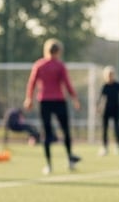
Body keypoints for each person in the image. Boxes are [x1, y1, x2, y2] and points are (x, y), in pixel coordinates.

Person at [23, 38, 82, 175]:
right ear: (59, 51)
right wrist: (75, 98)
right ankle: (69, 159)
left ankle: (49, 165)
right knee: (65, 130)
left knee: (47, 133)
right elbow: (67, 84)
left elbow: (31, 83)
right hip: (58, 101)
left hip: (44, 102)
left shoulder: (39, 65)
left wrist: (29, 98)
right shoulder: (59, 65)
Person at [97, 66, 119, 156]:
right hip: (106, 110)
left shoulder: (118, 85)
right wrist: (98, 107)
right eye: (108, 74)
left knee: (117, 128)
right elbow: (100, 98)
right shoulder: (105, 86)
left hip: (116, 109)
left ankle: (118, 146)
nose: (110, 76)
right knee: (105, 129)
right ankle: (104, 147)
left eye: (111, 74)